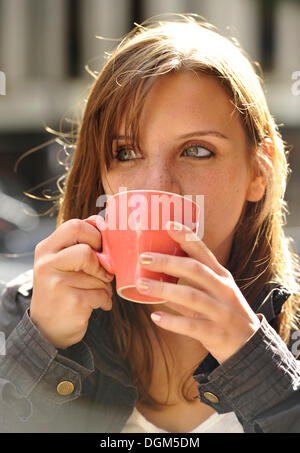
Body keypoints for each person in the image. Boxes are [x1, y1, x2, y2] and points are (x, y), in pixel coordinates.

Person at [0, 14, 299, 434]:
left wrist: (255, 361)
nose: (157, 186)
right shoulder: (21, 317)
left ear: (258, 172)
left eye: (197, 150)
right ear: (101, 174)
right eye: (126, 152)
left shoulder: (294, 339)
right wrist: (41, 351)